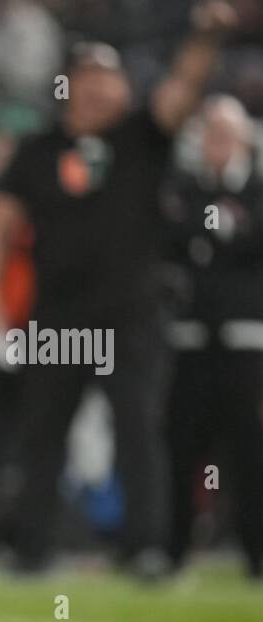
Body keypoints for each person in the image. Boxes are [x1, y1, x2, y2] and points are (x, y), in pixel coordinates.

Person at [0, 5, 236, 577]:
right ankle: (30, 548)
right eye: (88, 78)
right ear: (68, 86)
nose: (99, 89)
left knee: (139, 430)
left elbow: (184, 86)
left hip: (131, 314)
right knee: (41, 434)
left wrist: (206, 34)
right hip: (58, 317)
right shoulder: (37, 150)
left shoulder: (143, 137)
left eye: (109, 78)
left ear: (122, 86)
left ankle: (145, 548)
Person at [162, 95, 263, 578]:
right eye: (210, 133)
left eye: (226, 134)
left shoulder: (259, 189)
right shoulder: (183, 189)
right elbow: (173, 246)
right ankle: (173, 548)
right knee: (183, 445)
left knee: (251, 450)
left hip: (248, 341)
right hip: (192, 339)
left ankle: (256, 552)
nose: (217, 144)